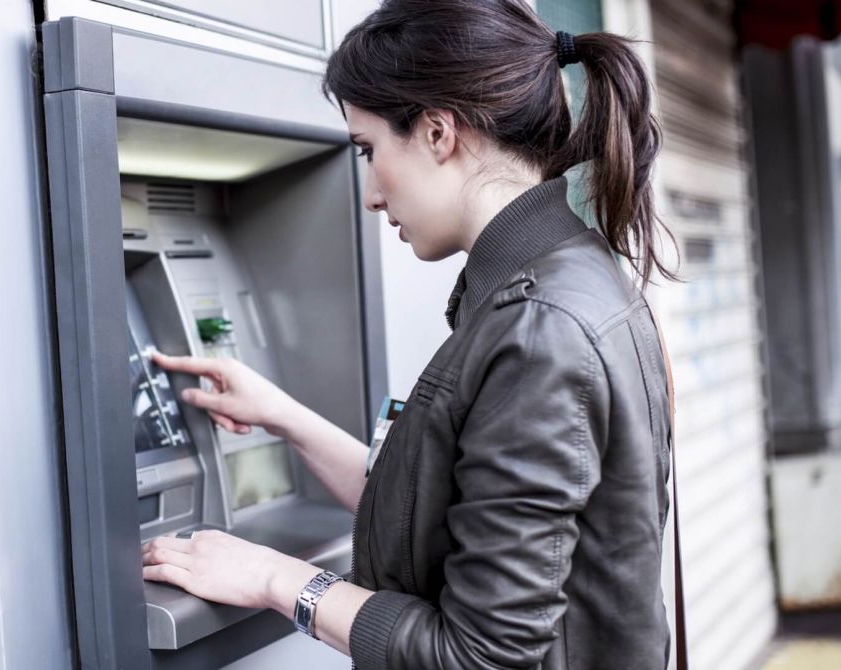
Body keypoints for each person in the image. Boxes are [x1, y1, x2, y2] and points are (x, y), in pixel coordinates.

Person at [141, 1, 677, 668]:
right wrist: (283, 417)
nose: (369, 193)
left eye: (369, 151)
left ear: (436, 133)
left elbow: (477, 655)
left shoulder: (539, 331)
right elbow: (456, 515)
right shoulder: (574, 280)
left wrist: (275, 578)